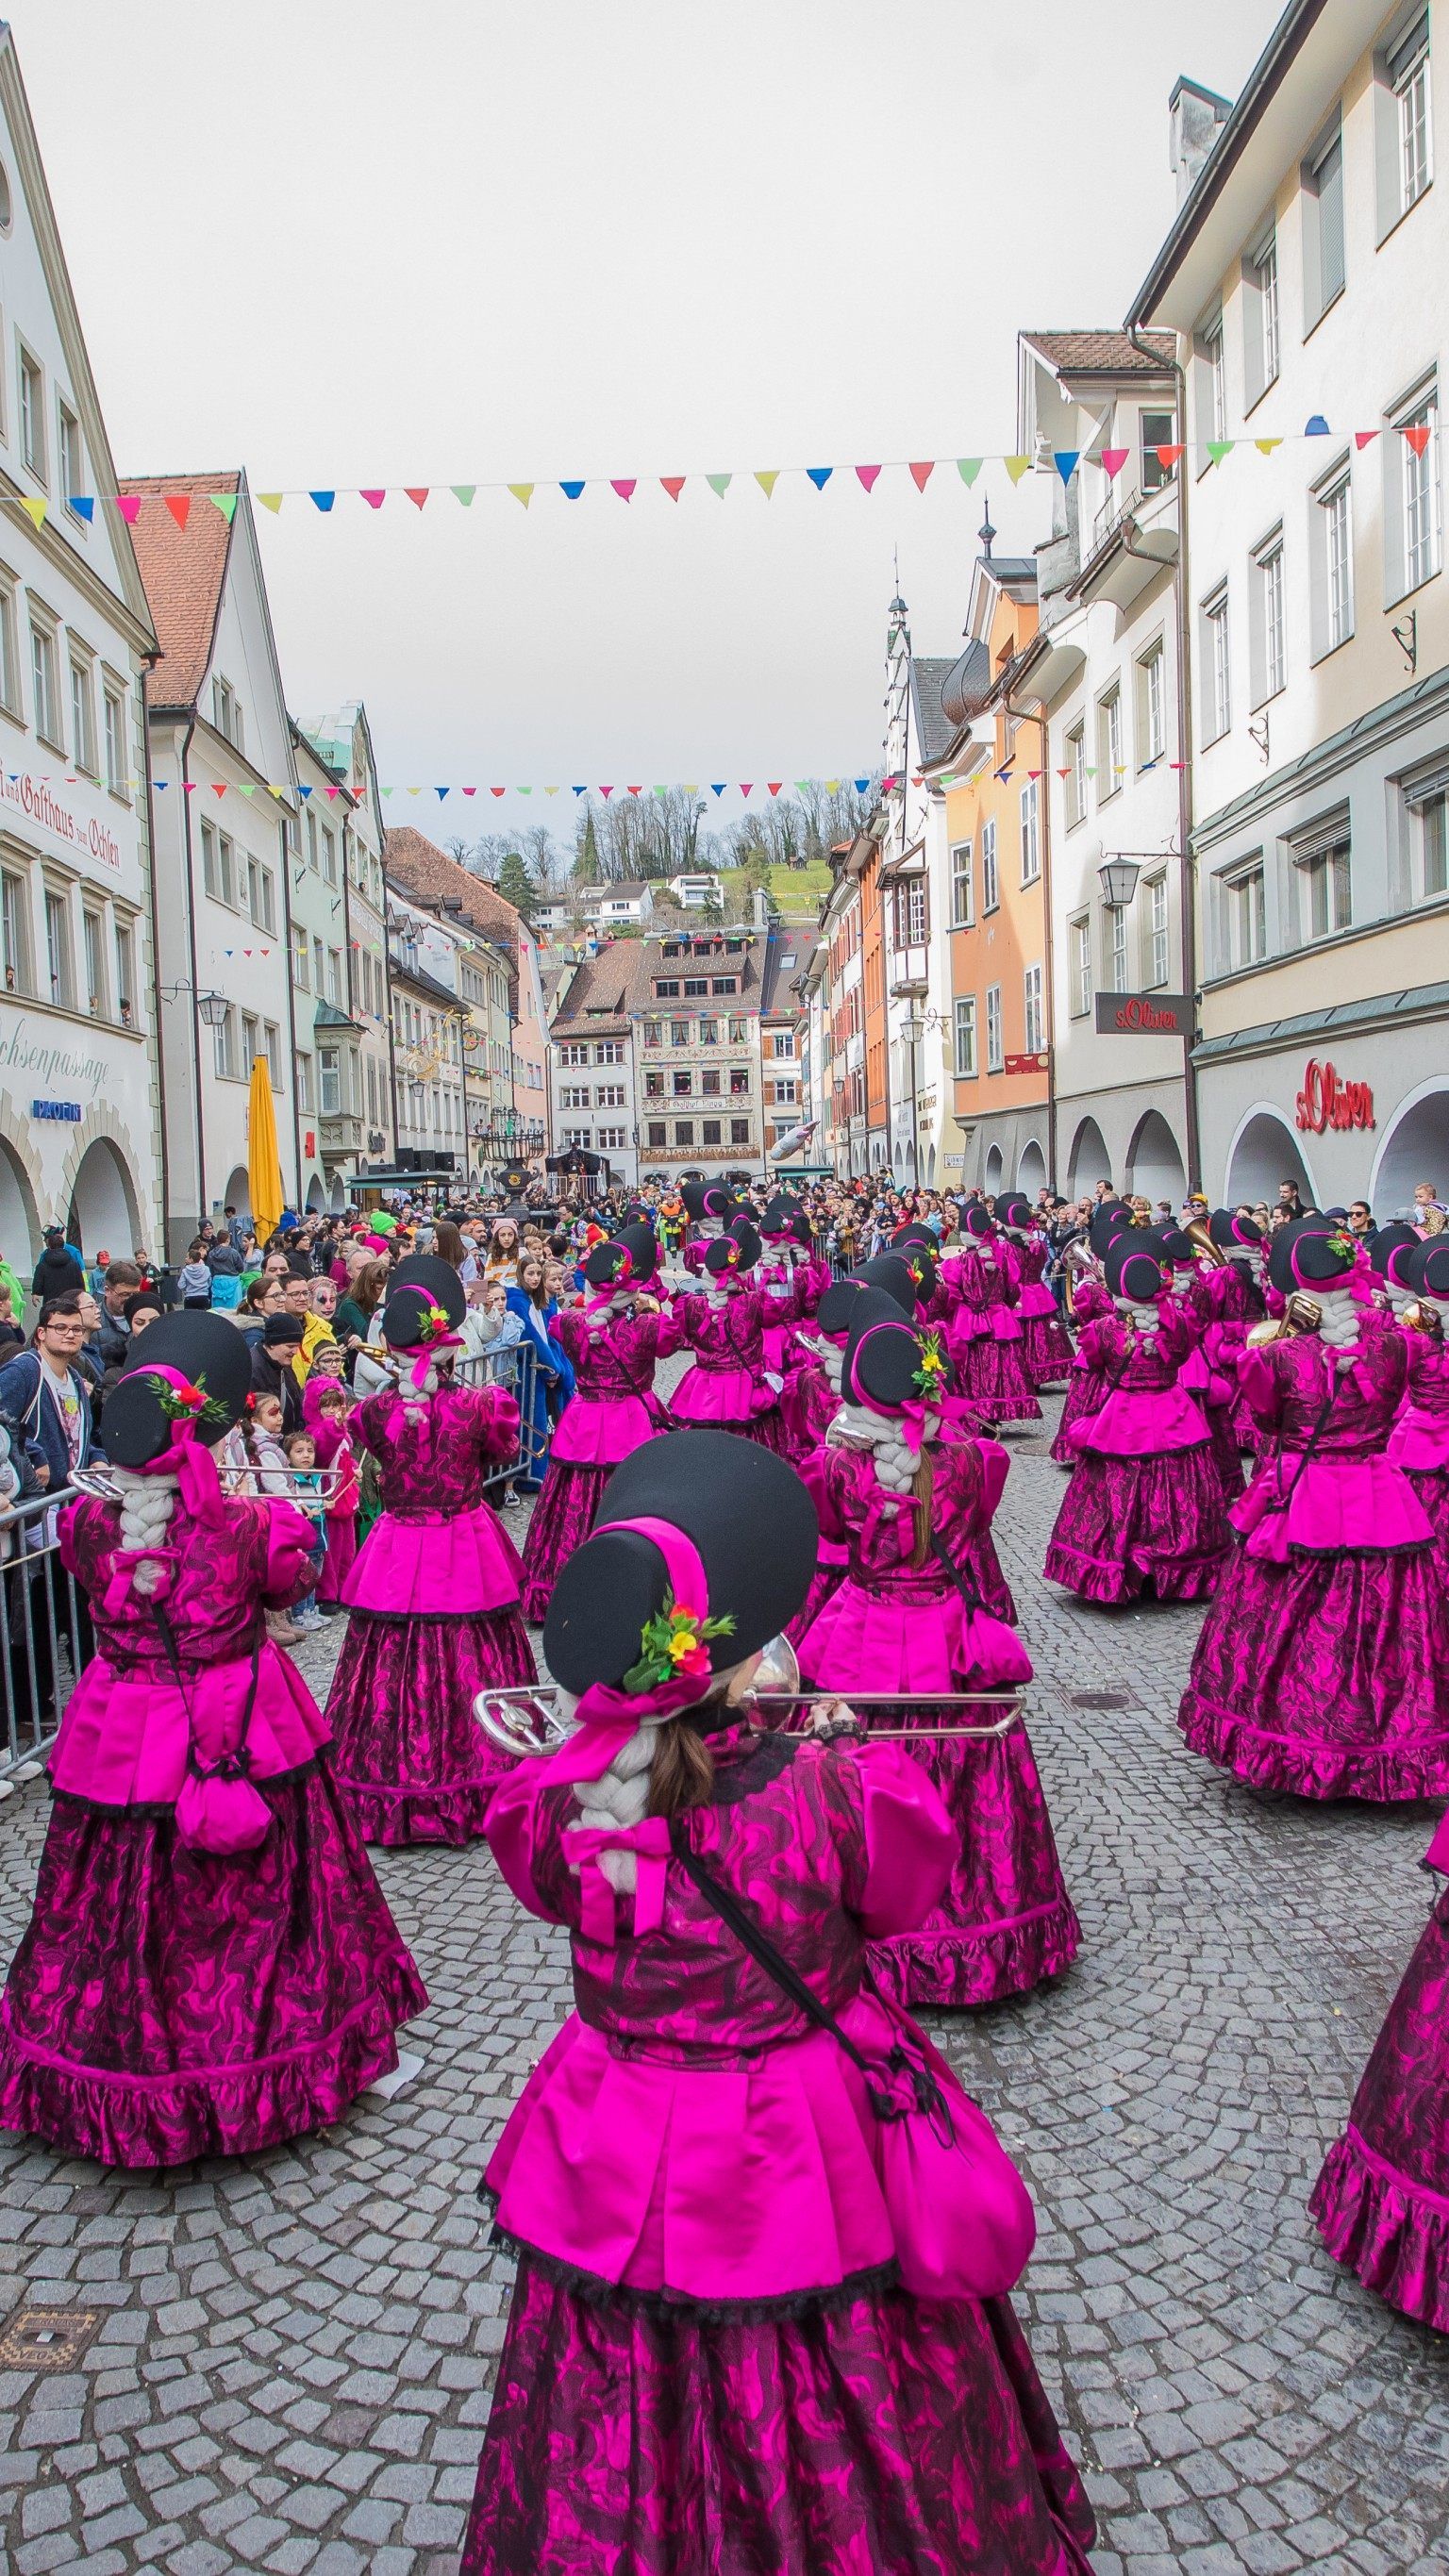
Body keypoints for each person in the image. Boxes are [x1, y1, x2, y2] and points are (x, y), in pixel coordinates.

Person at [464, 1427, 1094, 2576]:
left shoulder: (552, 1809)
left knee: (621, 2379)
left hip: (619, 2124)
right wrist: (836, 1749)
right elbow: (902, 1897)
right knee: (844, 2375)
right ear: (743, 1667)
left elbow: (551, 1868)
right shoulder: (825, 1789)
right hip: (797, 2126)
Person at [0, 1314, 427, 2165]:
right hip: (237, 1717)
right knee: (275, 1887)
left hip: (125, 1724)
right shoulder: (246, 1525)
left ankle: (115, 2060)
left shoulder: (90, 1526)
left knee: (119, 1891)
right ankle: (269, 2058)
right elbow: (294, 1582)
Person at [795, 1290, 1077, 2009]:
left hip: (860, 1629)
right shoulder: (969, 1461)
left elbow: (830, 1532)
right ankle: (978, 1926)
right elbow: (979, 1506)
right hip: (948, 1634)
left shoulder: (833, 1468)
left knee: (854, 1773)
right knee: (972, 1777)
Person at [1178, 1222, 1449, 1800]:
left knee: (1282, 1616)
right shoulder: (1404, 1342)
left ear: (1297, 1282)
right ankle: (1384, 1747)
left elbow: (1268, 1425)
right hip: (1381, 1492)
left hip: (1307, 1494)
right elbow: (1423, 1399)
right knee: (1389, 1615)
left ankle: (1291, 1742)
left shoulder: (1273, 1356)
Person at [324, 1256, 534, 1845]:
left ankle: (386, 1773)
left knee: (390, 1651)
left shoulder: (373, 1411)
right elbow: (497, 1452)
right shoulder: (481, 1404)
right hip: (463, 1537)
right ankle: (488, 1771)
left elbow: (375, 1438)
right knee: (476, 1647)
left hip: (399, 1540)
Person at [1043, 1236, 1230, 1604]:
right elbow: (1182, 1356)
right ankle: (1175, 1566)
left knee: (1114, 1488)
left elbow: (1095, 1365)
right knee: (1181, 1488)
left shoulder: (1102, 1330)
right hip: (1173, 1412)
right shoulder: (1178, 1324)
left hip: (1122, 1416)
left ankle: (1120, 1561)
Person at [518, 1222, 673, 1623]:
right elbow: (675, 1338)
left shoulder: (571, 1323)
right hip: (632, 1419)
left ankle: (564, 1585)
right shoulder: (644, 1326)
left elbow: (559, 1324)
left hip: (583, 1419)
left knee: (572, 1503)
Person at [941, 1205, 1041, 1426]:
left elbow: (952, 1295)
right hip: (999, 1318)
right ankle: (995, 1411)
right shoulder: (1003, 1257)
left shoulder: (957, 1263)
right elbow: (1013, 1289)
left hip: (969, 1320)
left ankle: (976, 1413)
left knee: (973, 1368)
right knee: (1000, 1366)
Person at [504, 1251, 573, 1504]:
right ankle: (529, 1474)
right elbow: (532, 1336)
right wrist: (551, 1366)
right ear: (521, 1275)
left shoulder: (535, 1300)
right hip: (529, 1370)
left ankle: (538, 1472)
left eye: (536, 1274)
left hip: (540, 1369)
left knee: (542, 1421)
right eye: (530, 1274)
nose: (534, 1278)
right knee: (532, 1420)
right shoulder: (519, 1301)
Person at [995, 1192, 1074, 1388]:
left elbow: (1005, 1273)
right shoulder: (1036, 1245)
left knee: (1021, 1335)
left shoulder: (1006, 1248)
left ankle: (1023, 1374)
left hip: (1019, 1293)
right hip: (1037, 1292)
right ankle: (1038, 1373)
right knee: (1040, 1336)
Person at [248, 1310, 306, 1435]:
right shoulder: (253, 1370)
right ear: (272, 1343)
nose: (295, 1352)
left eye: (297, 1346)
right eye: (290, 1346)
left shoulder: (283, 1364)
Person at [31, 1226, 85, 1305]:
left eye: (46, 1238)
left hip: (51, 1301)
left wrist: (35, 1292)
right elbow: (81, 1276)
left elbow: (39, 1277)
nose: (44, 1241)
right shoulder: (74, 1255)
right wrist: (84, 1294)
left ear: (50, 1241)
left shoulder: (45, 1257)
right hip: (70, 1301)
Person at [177, 1239, 213, 1310]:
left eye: (187, 1257)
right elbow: (209, 1282)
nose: (186, 1258)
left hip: (190, 1297)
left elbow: (181, 1285)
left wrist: (187, 1289)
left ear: (191, 1259)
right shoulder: (206, 1269)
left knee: (190, 1318)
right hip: (203, 1296)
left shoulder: (185, 1271)